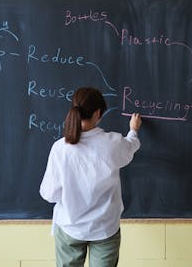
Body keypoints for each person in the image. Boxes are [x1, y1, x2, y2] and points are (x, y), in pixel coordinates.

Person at [40, 87, 142, 267]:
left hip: (70, 227)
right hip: (105, 228)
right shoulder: (112, 143)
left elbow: (49, 194)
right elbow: (130, 147)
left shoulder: (60, 148)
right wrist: (133, 130)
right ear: (97, 113)